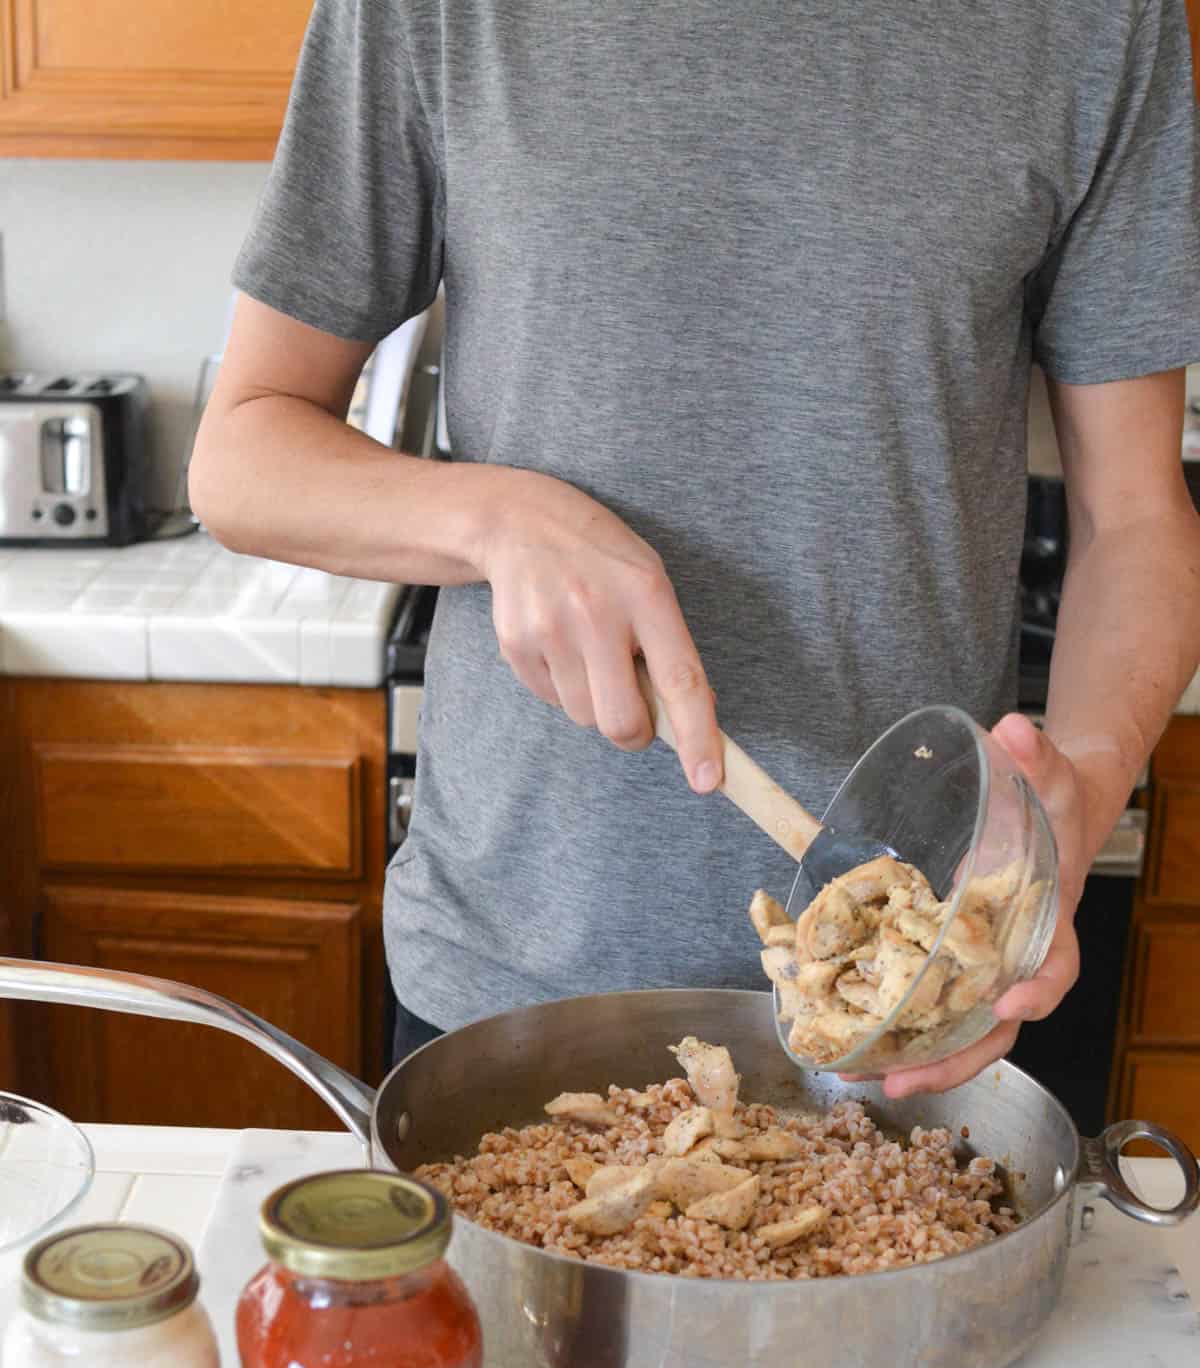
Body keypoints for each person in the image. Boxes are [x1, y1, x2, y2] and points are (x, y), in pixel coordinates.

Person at [190, 0, 1200, 1098]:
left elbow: (1136, 515)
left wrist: (1086, 785)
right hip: (515, 992)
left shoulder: (1100, 21)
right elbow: (244, 456)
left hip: (906, 1007)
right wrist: (495, 518)